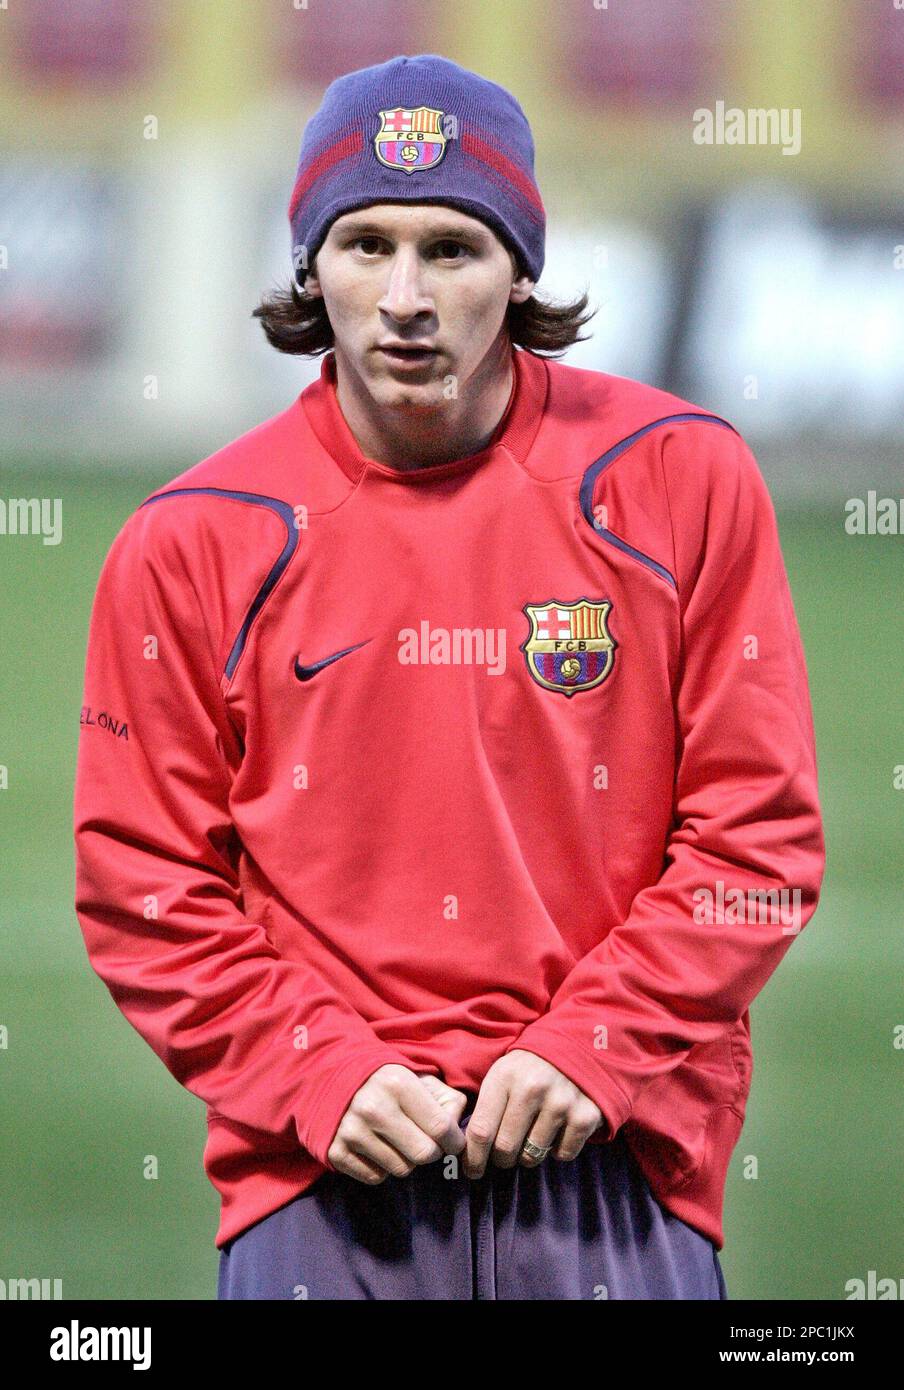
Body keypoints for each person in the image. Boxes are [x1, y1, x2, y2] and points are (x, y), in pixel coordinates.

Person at [73, 53, 825, 1301]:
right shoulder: (189, 538)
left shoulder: (683, 480)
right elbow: (144, 885)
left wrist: (597, 1046)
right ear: (311, 268)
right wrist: (318, 1071)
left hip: (618, 1162)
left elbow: (759, 842)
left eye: (452, 248)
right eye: (364, 245)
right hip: (320, 1183)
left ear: (519, 266)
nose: (404, 297)